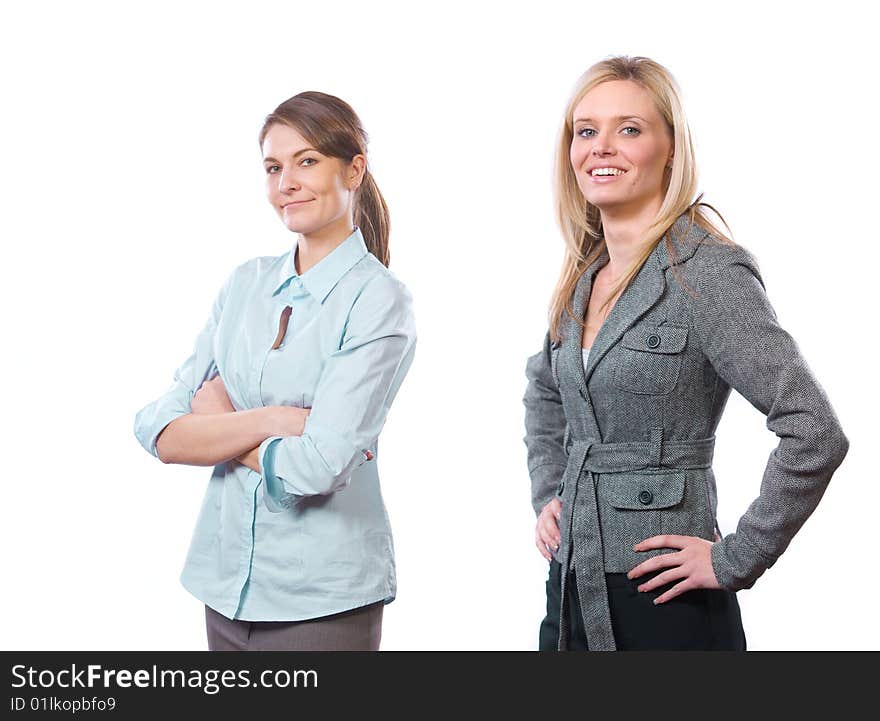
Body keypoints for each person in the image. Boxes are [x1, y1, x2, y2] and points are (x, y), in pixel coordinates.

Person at [522, 56, 848, 651]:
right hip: (571, 584)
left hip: (664, 597)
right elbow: (546, 389)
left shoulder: (708, 271)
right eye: (585, 131)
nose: (601, 148)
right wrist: (549, 489)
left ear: (670, 147)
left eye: (629, 129)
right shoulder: (582, 277)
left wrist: (736, 558)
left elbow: (815, 430)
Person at [134, 91, 416, 651]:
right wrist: (275, 420)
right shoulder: (245, 283)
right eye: (272, 167)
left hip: (321, 602)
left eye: (306, 161)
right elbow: (158, 429)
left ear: (354, 169)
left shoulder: (378, 301)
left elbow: (316, 467)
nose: (285, 182)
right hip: (225, 586)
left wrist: (219, 427)